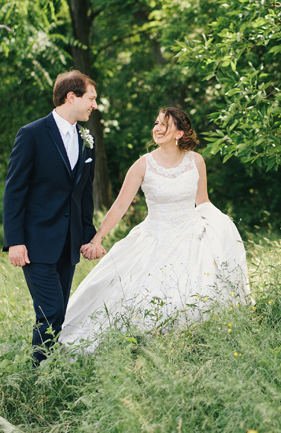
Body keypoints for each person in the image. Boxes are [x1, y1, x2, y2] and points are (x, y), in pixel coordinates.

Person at [59, 107, 251, 351]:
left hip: (191, 237)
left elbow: (202, 200)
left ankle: (192, 347)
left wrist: (219, 225)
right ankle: (141, 348)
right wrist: (97, 239)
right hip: (154, 237)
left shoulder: (196, 161)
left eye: (165, 125)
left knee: (196, 293)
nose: (157, 128)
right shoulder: (142, 165)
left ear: (179, 133)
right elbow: (119, 208)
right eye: (157, 122)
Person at [2, 70, 104, 365]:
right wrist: (15, 241)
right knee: (51, 312)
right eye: (91, 98)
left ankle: (48, 372)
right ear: (71, 97)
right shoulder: (32, 134)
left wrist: (89, 238)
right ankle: (39, 372)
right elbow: (14, 191)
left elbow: (83, 196)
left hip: (69, 244)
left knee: (57, 313)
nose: (94, 105)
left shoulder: (87, 140)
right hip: (36, 243)